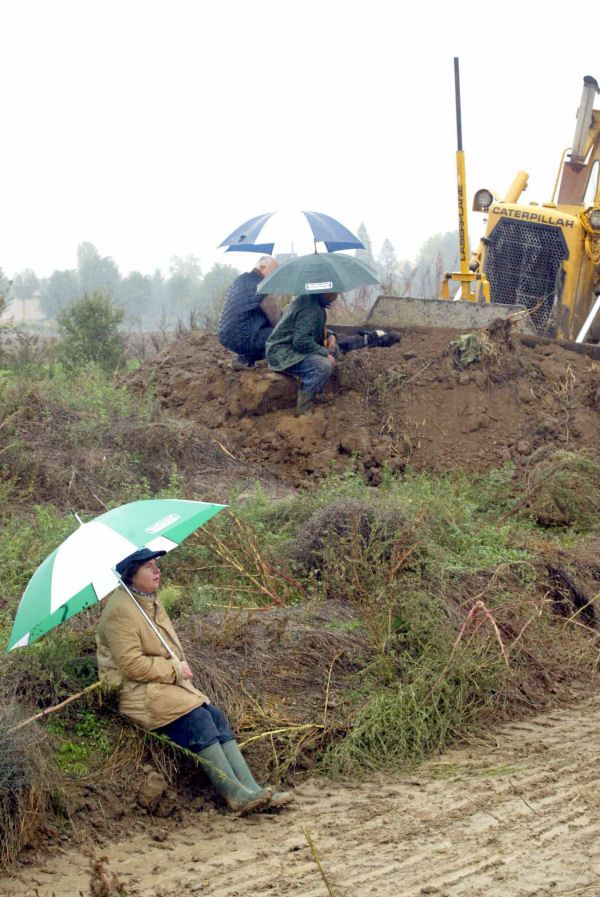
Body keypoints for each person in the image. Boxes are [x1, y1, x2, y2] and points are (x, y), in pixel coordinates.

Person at [96, 547, 292, 815]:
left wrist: (174, 670)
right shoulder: (121, 611)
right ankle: (235, 795)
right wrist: (174, 670)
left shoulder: (147, 600)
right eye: (149, 567)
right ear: (131, 574)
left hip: (160, 686)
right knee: (197, 720)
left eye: (157, 564)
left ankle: (252, 788)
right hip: (137, 693)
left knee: (215, 716)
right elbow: (132, 666)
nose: (157, 570)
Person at [265, 291, 339, 417]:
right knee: (323, 365)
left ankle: (315, 393)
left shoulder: (317, 302)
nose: (338, 293)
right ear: (327, 290)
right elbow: (301, 341)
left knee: (334, 350)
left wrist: (330, 335)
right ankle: (304, 408)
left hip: (292, 346)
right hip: (282, 352)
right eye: (336, 290)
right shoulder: (309, 307)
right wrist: (324, 353)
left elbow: (313, 329)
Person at [218, 256, 281, 370]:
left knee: (257, 323)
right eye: (274, 272)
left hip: (225, 336)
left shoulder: (239, 280)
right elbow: (278, 321)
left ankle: (244, 359)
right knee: (283, 333)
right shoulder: (263, 286)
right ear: (262, 268)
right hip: (244, 337)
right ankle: (276, 361)